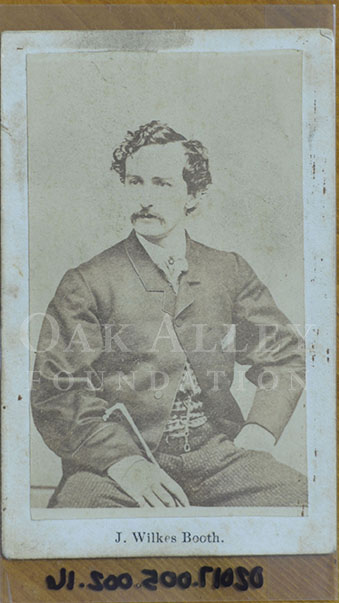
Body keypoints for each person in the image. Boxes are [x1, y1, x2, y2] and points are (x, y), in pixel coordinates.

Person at [31, 121, 307, 508]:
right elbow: (56, 390)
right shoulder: (87, 281)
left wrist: (259, 431)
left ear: (193, 196)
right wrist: (125, 464)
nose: (145, 198)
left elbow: (285, 354)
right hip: (119, 463)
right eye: (135, 182)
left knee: (303, 503)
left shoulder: (227, 270)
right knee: (80, 521)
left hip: (217, 457)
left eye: (162, 184)